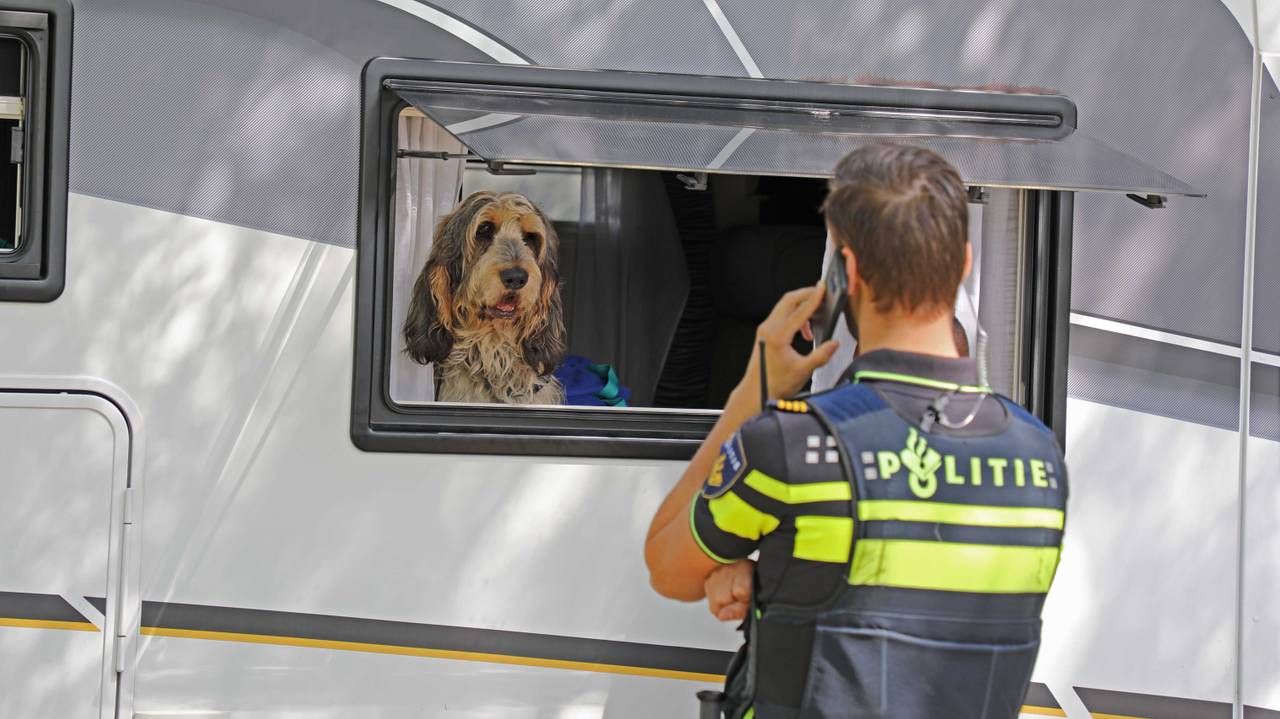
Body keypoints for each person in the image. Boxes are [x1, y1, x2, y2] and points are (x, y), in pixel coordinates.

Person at [644, 144, 1068, 719]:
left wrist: (753, 390)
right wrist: (779, 579)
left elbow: (668, 567)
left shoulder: (789, 449)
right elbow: (921, 601)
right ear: (963, 264)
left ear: (847, 274)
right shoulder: (1040, 459)